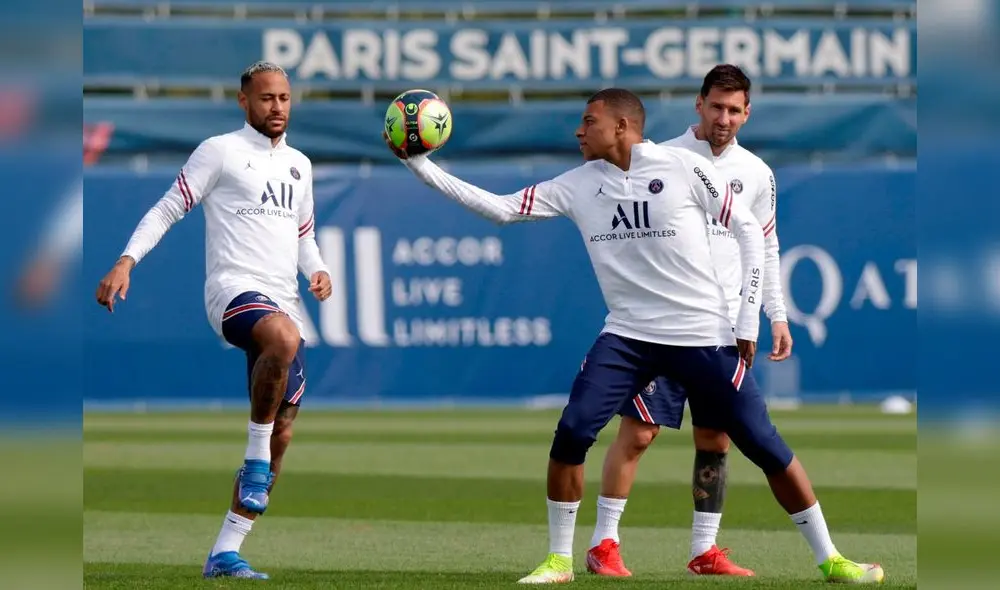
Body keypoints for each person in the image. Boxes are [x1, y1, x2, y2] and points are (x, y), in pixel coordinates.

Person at [387, 87, 883, 585]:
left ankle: (831, 559)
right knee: (573, 432)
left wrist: (748, 320)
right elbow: (500, 208)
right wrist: (420, 165)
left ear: (622, 127)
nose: (579, 131)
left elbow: (750, 232)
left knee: (764, 444)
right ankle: (560, 560)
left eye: (590, 121)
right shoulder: (578, 184)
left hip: (701, 334)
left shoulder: (683, 167)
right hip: (628, 337)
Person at [95, 61, 331, 580]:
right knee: (284, 339)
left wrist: (317, 269)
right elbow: (167, 209)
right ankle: (254, 458)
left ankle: (225, 552)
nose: (277, 107)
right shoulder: (219, 151)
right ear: (244, 101)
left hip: (284, 298)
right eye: (266, 98)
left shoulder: (300, 164)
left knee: (284, 430)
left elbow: (304, 235)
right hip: (231, 290)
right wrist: (126, 261)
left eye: (284, 98)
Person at [586, 64, 792, 579]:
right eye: (716, 106)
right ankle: (603, 543)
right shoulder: (664, 157)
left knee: (715, 440)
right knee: (638, 433)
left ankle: (704, 550)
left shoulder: (757, 173)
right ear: (698, 104)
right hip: (666, 323)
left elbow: (766, 245)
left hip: (722, 330)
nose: (724, 118)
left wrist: (775, 314)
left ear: (747, 113)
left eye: (734, 110)